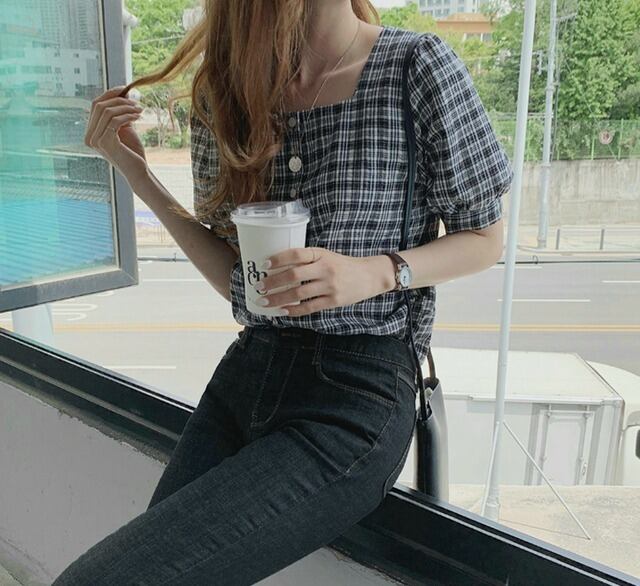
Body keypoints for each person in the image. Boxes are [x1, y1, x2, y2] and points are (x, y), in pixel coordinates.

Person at [52, 0, 513, 584]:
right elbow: (240, 284)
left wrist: (376, 271)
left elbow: (485, 238)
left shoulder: (414, 66)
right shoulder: (230, 93)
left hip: (356, 395)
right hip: (249, 372)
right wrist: (137, 174)